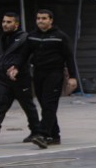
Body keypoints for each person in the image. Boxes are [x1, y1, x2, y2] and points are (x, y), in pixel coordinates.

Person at [0, 12, 47, 148]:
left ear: (16, 24)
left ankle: (36, 131)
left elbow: (26, 56)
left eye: (9, 22)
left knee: (27, 105)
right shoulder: (3, 38)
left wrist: (18, 68)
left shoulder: (24, 38)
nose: (5, 24)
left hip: (20, 78)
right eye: (4, 21)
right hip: (3, 77)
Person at [28, 9, 77, 145]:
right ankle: (54, 136)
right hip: (38, 73)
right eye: (38, 18)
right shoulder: (32, 36)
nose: (40, 21)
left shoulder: (60, 37)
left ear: (51, 20)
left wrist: (73, 77)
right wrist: (15, 67)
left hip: (55, 73)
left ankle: (42, 134)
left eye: (44, 18)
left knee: (49, 103)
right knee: (44, 105)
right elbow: (24, 54)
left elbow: (69, 57)